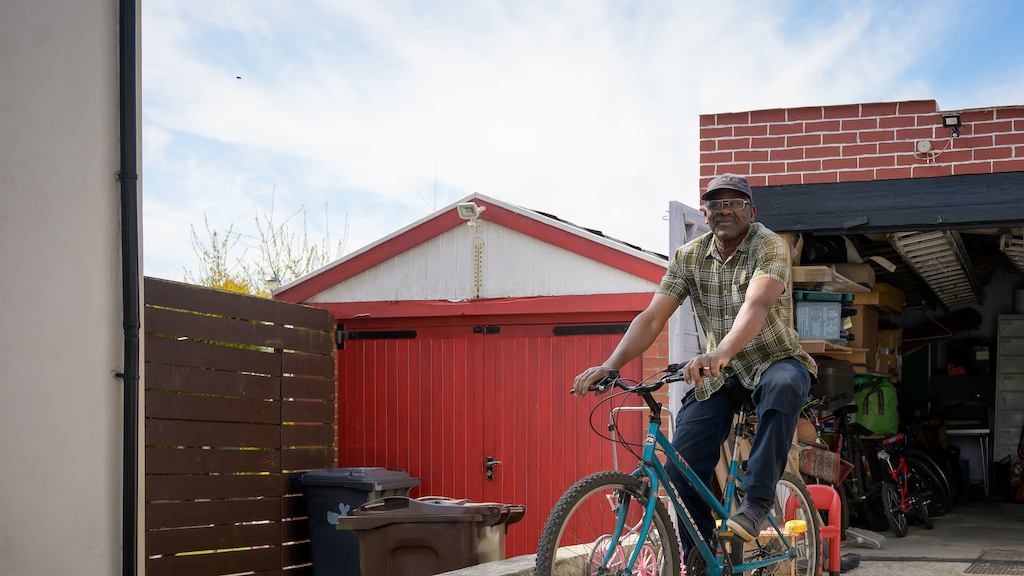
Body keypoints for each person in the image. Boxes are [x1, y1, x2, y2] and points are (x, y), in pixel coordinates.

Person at [571, 173, 817, 552]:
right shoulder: (689, 257)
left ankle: (756, 503)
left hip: (774, 360)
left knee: (783, 385)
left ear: (751, 210)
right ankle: (700, 557)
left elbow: (758, 303)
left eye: (734, 203)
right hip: (721, 375)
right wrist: (612, 364)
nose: (725, 210)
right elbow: (653, 317)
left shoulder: (768, 246)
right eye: (716, 204)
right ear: (705, 213)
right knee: (679, 471)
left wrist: (720, 352)